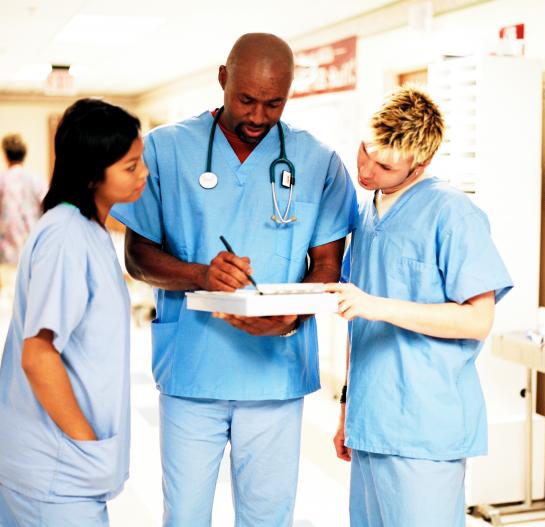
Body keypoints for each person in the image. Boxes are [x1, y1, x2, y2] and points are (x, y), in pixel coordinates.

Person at [110, 33, 356, 526]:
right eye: (246, 99)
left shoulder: (318, 162)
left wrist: (290, 317)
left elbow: (327, 265)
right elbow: (137, 256)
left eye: (274, 103)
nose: (259, 116)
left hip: (275, 375)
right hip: (192, 371)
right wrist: (200, 274)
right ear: (223, 78)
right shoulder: (166, 150)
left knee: (267, 516)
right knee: (185, 515)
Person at [326, 85, 513, 527]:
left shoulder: (452, 214)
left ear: (421, 163)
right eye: (365, 153)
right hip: (371, 418)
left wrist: (378, 306)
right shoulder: (368, 212)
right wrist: (347, 410)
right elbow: (359, 318)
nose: (367, 170)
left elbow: (478, 319)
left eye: (385, 165)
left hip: (424, 424)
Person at [0, 98, 148, 526]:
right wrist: (85, 446)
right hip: (56, 473)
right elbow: (39, 355)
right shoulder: (66, 237)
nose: (144, 175)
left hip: (54, 468)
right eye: (131, 167)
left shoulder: (86, 229)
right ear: (90, 174)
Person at [0, 134, 46, 296]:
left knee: (8, 296)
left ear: (5, 155)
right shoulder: (36, 179)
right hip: (33, 246)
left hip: (6, 249)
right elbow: (47, 206)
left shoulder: (2, 179)